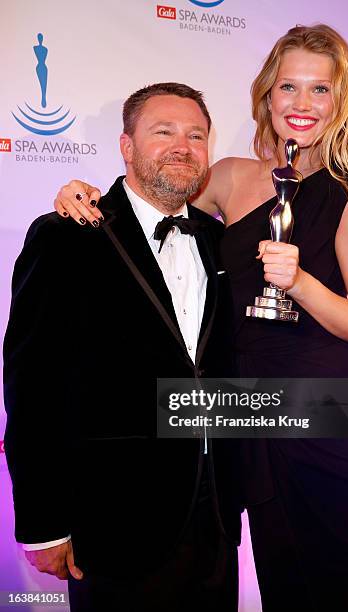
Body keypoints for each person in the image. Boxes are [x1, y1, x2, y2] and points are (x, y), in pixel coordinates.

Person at [53, 24, 348, 612]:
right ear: (268, 95)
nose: (302, 104)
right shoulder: (234, 177)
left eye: (320, 90)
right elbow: (155, 191)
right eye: (289, 87)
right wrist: (85, 193)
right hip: (251, 413)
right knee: (284, 588)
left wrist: (302, 282)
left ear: (341, 102)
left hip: (335, 419)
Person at [4, 83, 242, 612]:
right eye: (163, 132)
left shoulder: (218, 239)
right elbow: (33, 385)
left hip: (216, 516)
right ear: (126, 146)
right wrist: (43, 525)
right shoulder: (67, 235)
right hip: (113, 520)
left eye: (196, 135)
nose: (183, 146)